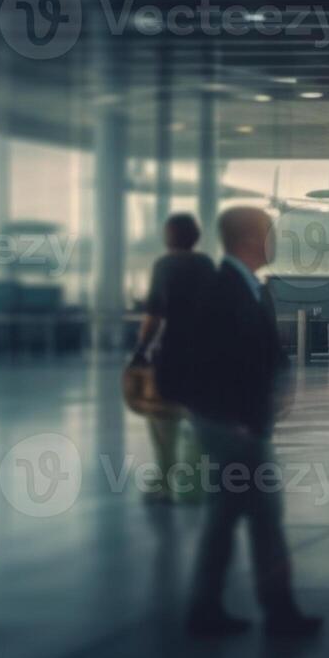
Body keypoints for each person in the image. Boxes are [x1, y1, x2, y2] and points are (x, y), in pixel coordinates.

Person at [181, 207, 320, 638]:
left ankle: (208, 609)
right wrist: (234, 418)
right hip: (236, 429)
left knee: (227, 518)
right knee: (263, 518)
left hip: (243, 423)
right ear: (250, 238)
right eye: (270, 233)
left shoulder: (248, 287)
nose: (274, 240)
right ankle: (278, 613)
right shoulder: (221, 290)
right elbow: (206, 362)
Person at [133, 213, 213, 504]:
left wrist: (141, 348)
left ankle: (166, 481)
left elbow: (154, 314)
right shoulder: (206, 265)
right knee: (199, 415)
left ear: (170, 236)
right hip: (204, 351)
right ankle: (195, 480)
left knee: (162, 415)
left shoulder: (165, 265)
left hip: (173, 350)